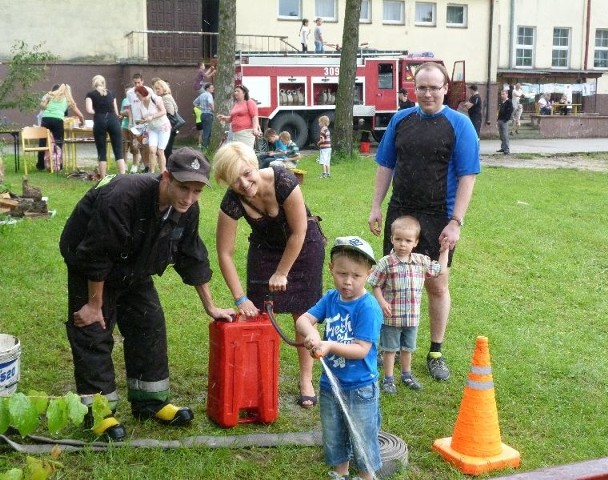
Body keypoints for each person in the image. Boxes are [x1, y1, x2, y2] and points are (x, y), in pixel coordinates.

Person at [59, 148, 235, 442]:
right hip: (88, 261)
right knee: (94, 329)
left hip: (134, 266)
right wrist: (94, 304)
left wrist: (211, 306)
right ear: (166, 177)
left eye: (196, 191)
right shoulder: (123, 196)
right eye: (183, 188)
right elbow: (98, 252)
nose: (189, 198)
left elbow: (191, 255)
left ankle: (150, 401)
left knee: (149, 323)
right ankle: (98, 413)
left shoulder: (187, 209)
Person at [368, 62, 481, 382]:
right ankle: (386, 347)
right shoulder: (401, 120)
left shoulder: (459, 124)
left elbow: (467, 176)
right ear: (413, 89)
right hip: (401, 211)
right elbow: (385, 165)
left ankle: (435, 352)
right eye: (422, 87)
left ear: (445, 88)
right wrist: (376, 206)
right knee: (391, 279)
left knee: (436, 282)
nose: (428, 93)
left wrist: (456, 221)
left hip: (438, 215)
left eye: (434, 87)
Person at [213, 141, 325, 409]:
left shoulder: (283, 180)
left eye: (247, 173)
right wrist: (240, 299)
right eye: (234, 179)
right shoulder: (232, 201)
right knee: (258, 315)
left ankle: (306, 380)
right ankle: (259, 378)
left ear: (255, 165)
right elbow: (224, 253)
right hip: (265, 249)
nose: (244, 183)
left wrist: (282, 272)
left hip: (303, 245)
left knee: (303, 315)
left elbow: (298, 233)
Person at [295, 236, 383, 480]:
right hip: (329, 385)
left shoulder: (368, 307)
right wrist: (312, 333)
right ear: (331, 268)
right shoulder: (331, 298)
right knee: (333, 434)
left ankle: (366, 476)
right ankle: (340, 473)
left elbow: (362, 349)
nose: (347, 281)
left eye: (356, 276)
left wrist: (330, 345)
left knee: (362, 436)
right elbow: (303, 319)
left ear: (369, 273)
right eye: (342, 273)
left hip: (360, 387)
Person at [367, 216, 450, 395]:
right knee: (389, 350)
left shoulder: (421, 262)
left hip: (411, 317)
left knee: (407, 348)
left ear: (415, 242)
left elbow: (439, 270)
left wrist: (444, 251)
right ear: (391, 239)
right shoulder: (386, 263)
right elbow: (375, 284)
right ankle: (388, 379)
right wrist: (381, 302)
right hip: (391, 318)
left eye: (407, 241)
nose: (402, 244)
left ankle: (407, 375)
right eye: (398, 239)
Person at [85, 75, 126, 178]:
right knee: (118, 150)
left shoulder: (90, 94)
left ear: (93, 83)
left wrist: (98, 112)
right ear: (104, 83)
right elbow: (116, 111)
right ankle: (123, 177)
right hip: (113, 120)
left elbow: (89, 110)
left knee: (101, 151)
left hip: (99, 120)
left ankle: (102, 178)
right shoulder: (111, 93)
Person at [37, 84, 85, 170]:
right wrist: (82, 122)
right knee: (58, 143)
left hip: (45, 118)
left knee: (42, 141)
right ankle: (58, 165)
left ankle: (40, 165)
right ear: (68, 92)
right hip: (57, 120)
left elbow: (42, 106)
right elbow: (80, 115)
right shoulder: (67, 99)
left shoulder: (51, 95)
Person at [134, 85, 171, 173]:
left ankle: (163, 173)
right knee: (151, 150)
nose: (137, 97)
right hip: (152, 128)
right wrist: (142, 121)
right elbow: (145, 117)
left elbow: (163, 112)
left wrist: (152, 116)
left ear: (143, 93)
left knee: (160, 151)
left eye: (138, 95)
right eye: (136, 95)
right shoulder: (140, 104)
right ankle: (152, 173)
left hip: (163, 127)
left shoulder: (155, 99)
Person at [216, 85, 261, 149]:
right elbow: (231, 119)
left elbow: (254, 117)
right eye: (235, 91)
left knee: (245, 154)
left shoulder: (250, 102)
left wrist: (255, 129)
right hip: (235, 134)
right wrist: (224, 118)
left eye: (238, 91)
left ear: (244, 93)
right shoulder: (235, 104)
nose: (235, 93)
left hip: (246, 133)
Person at [126, 73, 153, 172]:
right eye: (135, 83)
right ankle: (140, 164)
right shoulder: (130, 93)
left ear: (142, 81)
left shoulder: (148, 90)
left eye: (139, 82)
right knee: (138, 144)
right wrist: (130, 122)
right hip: (136, 123)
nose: (137, 85)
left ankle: (147, 164)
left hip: (146, 122)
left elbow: (151, 104)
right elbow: (129, 108)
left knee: (146, 144)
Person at [153, 79, 179, 159]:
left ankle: (169, 168)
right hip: (167, 126)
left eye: (158, 89)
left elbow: (171, 112)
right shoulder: (164, 97)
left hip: (169, 126)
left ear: (163, 88)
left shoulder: (165, 98)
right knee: (165, 149)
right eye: (155, 89)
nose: (156, 90)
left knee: (166, 149)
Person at [119, 84, 139, 172]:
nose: (127, 93)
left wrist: (125, 113)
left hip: (134, 127)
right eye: (126, 91)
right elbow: (122, 112)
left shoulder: (136, 101)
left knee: (134, 146)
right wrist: (123, 114)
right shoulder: (124, 100)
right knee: (124, 146)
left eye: (129, 91)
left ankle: (135, 165)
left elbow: (132, 113)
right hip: (124, 126)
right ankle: (125, 164)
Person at [193, 83, 215, 149]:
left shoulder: (202, 95)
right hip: (208, 114)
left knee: (204, 131)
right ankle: (205, 147)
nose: (213, 89)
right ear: (207, 89)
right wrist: (213, 110)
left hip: (202, 114)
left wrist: (201, 108)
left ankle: (204, 146)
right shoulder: (209, 95)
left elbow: (194, 102)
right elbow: (210, 102)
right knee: (207, 131)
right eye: (212, 88)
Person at [497, 89, 514, 155]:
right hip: (500, 120)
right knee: (501, 135)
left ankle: (507, 148)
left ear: (507, 94)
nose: (502, 95)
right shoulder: (502, 102)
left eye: (503, 94)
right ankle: (503, 147)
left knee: (505, 134)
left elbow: (510, 111)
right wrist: (498, 120)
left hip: (505, 120)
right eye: (501, 94)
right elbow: (500, 111)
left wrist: (506, 119)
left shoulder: (509, 102)